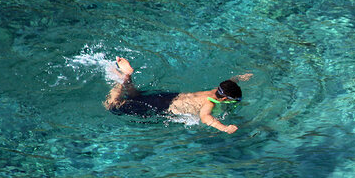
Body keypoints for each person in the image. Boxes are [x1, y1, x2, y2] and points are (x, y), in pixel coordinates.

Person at [104, 56, 251, 134]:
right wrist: (224, 128)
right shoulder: (210, 102)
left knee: (135, 96)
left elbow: (230, 82)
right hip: (163, 107)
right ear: (225, 99)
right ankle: (125, 76)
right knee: (112, 106)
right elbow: (206, 119)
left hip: (169, 97)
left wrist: (239, 77)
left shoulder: (215, 90)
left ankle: (128, 78)